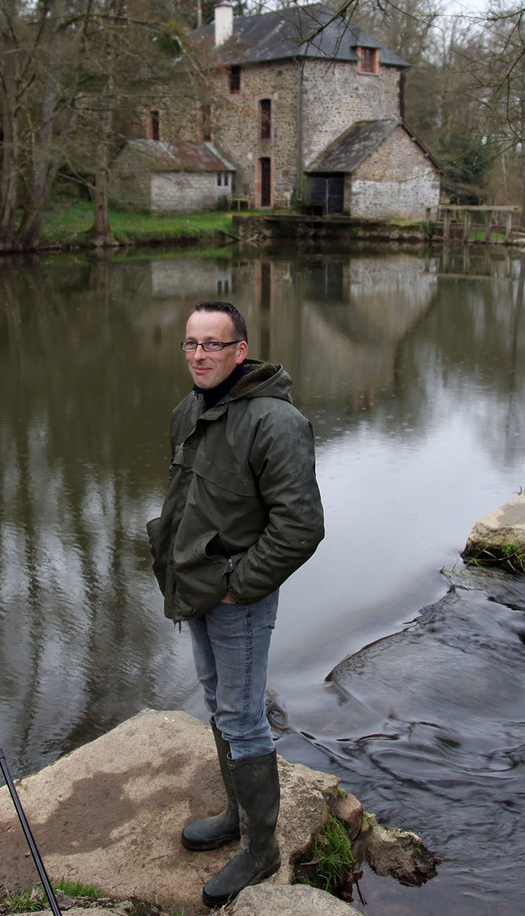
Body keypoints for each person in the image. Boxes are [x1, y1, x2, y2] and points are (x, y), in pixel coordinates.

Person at [147, 299, 325, 909]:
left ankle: (262, 848)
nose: (199, 355)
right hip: (195, 586)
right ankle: (234, 815)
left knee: (245, 716)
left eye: (213, 345)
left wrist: (239, 583)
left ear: (239, 351)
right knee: (219, 704)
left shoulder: (276, 422)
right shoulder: (188, 410)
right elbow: (186, 504)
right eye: (192, 344)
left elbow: (300, 526)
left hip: (237, 598)